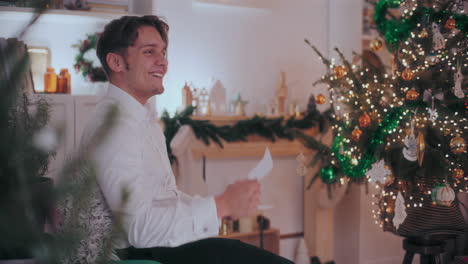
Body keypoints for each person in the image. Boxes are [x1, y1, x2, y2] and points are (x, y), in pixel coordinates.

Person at [81, 15, 293, 264]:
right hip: (130, 255)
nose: (163, 62)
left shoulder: (143, 122)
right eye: (149, 52)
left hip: (156, 248)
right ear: (116, 61)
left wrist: (220, 207)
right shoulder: (113, 126)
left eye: (164, 52)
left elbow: (165, 200)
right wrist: (221, 205)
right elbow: (139, 229)